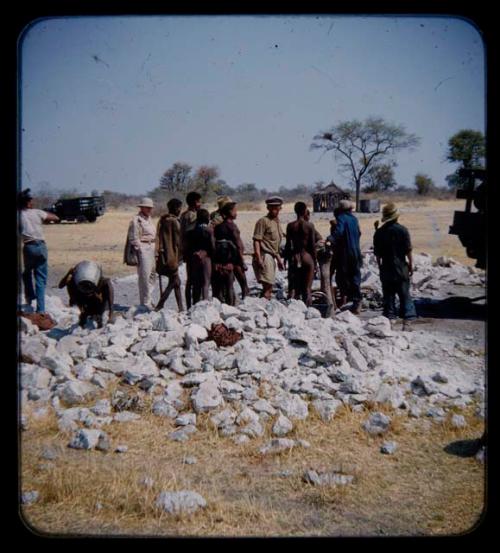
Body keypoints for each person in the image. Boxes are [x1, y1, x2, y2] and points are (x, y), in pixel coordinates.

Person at [373, 202, 417, 326]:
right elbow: (408, 250)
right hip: (400, 266)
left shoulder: (379, 232)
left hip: (386, 267)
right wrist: (410, 265)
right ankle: (408, 319)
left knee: (388, 295)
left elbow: (377, 254)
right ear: (396, 216)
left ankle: (390, 318)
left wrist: (380, 267)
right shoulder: (403, 230)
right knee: (404, 293)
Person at [19, 188, 60, 313]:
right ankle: (41, 310)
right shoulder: (37, 212)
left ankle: (30, 297)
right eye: (31, 201)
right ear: (27, 202)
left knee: (26, 273)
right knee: (40, 279)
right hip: (41, 247)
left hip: (28, 247)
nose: (33, 203)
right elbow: (56, 218)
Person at [211, 196, 250, 299]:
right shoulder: (219, 220)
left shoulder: (219, 218)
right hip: (228, 253)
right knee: (234, 273)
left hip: (227, 252)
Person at [328, 200, 363, 314]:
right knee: (355, 276)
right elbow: (359, 233)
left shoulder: (342, 218)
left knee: (342, 277)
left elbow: (339, 232)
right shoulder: (354, 219)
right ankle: (357, 301)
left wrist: (329, 240)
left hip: (345, 252)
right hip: (356, 252)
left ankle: (345, 300)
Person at [284, 202, 318, 306]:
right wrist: (315, 261)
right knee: (307, 288)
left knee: (293, 287)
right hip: (306, 257)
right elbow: (312, 246)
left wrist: (286, 259)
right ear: (304, 211)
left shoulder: (290, 226)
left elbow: (288, 245)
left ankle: (292, 309)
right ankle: (308, 311)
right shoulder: (309, 226)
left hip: (295, 257)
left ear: (295, 211)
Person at [252, 197, 285, 300]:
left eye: (277, 207)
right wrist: (259, 258)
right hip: (264, 256)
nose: (274, 210)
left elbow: (274, 245)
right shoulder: (263, 221)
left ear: (280, 208)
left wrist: (279, 259)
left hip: (272, 256)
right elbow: (257, 240)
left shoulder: (277, 222)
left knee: (269, 285)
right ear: (268, 208)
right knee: (268, 286)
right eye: (272, 207)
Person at [127, 197, 156, 309]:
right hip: (144, 248)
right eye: (147, 207)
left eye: (150, 208)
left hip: (152, 246)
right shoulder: (136, 220)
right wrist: (139, 249)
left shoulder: (149, 219)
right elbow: (133, 237)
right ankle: (145, 302)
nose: (149, 209)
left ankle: (148, 297)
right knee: (144, 275)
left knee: (152, 275)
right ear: (142, 207)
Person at [155, 198, 184, 312]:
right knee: (174, 281)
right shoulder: (173, 221)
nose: (180, 210)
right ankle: (160, 304)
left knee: (176, 282)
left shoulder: (163, 220)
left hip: (165, 255)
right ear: (176, 208)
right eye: (179, 208)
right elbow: (178, 240)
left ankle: (181, 308)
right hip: (172, 256)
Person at [185, 209, 215, 304]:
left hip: (194, 257)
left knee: (196, 283)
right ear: (207, 218)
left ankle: (195, 305)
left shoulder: (191, 231)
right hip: (205, 257)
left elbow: (188, 246)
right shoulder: (209, 230)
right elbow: (212, 246)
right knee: (206, 283)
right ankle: (205, 304)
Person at [180, 191, 202, 308]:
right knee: (195, 279)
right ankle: (193, 304)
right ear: (195, 202)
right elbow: (190, 233)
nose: (200, 203)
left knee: (190, 279)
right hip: (193, 250)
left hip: (187, 250)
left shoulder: (183, 215)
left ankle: (190, 305)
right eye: (199, 201)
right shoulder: (192, 216)